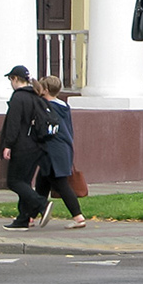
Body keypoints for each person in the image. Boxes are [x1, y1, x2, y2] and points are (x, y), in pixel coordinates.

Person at [0, 65, 51, 230]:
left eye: (11, 80)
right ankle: (23, 218)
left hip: (22, 146)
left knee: (14, 181)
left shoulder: (18, 97)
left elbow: (13, 125)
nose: (11, 83)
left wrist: (8, 145)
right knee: (25, 183)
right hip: (37, 146)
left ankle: (41, 205)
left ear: (15, 79)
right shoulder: (35, 96)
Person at [34, 75, 87, 229]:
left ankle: (78, 217)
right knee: (41, 183)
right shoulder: (63, 105)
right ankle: (30, 216)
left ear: (45, 90)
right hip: (64, 147)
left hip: (52, 150)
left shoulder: (47, 107)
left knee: (61, 184)